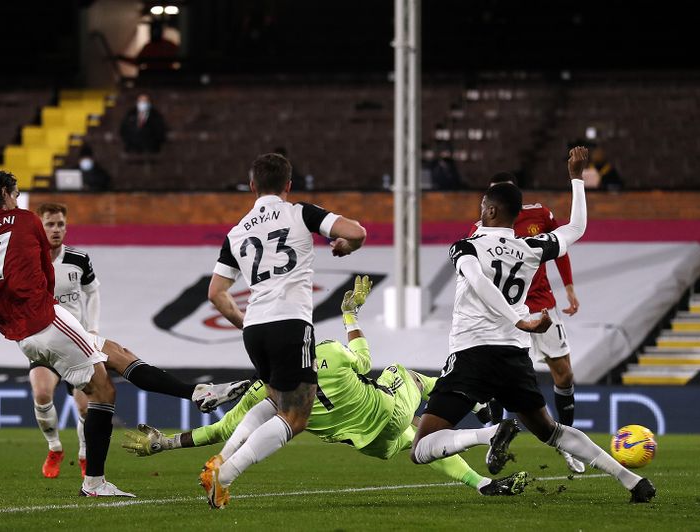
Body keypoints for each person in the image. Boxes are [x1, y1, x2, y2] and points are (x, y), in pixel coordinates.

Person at [0, 171, 248, 497]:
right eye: (15, 193)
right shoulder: (24, 219)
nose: (17, 199)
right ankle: (106, 472)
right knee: (106, 383)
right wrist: (49, 305)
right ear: (4, 194)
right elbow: (46, 271)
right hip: (48, 319)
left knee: (113, 358)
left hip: (22, 336)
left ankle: (195, 396)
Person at [123, 276, 530, 497]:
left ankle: (483, 479)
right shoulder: (331, 351)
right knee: (406, 375)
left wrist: (167, 443)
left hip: (370, 444)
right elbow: (365, 361)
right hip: (385, 410)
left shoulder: (267, 387)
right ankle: (479, 408)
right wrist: (351, 316)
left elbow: (221, 430)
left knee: (420, 445)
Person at [410, 147, 657, 504]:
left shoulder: (466, 247)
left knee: (421, 447)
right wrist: (576, 178)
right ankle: (631, 479)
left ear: (491, 211)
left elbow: (479, 282)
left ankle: (490, 433)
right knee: (551, 430)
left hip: (472, 354)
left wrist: (519, 319)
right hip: (513, 356)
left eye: (482, 205)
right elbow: (577, 228)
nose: (479, 210)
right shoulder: (531, 248)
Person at [31, 201, 251, 479]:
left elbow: (92, 291)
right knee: (51, 391)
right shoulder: (29, 261)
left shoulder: (77, 259)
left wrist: (92, 327)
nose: (56, 229)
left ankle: (89, 464)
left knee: (96, 396)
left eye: (60, 224)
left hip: (75, 337)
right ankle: (56, 449)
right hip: (47, 340)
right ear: (39, 227)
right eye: (50, 224)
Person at [201, 152, 367, 509]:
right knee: (296, 415)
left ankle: (221, 458)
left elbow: (216, 292)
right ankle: (225, 475)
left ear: (252, 186)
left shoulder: (237, 231)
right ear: (288, 185)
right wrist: (346, 245)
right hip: (290, 322)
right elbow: (356, 232)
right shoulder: (300, 213)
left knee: (274, 401)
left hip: (255, 328)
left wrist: (245, 323)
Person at [470, 171, 584, 474]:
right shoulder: (480, 229)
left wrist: (569, 286)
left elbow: (561, 247)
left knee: (564, 375)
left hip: (542, 306)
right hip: (507, 314)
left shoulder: (539, 214)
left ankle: (567, 445)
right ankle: (495, 439)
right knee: (496, 379)